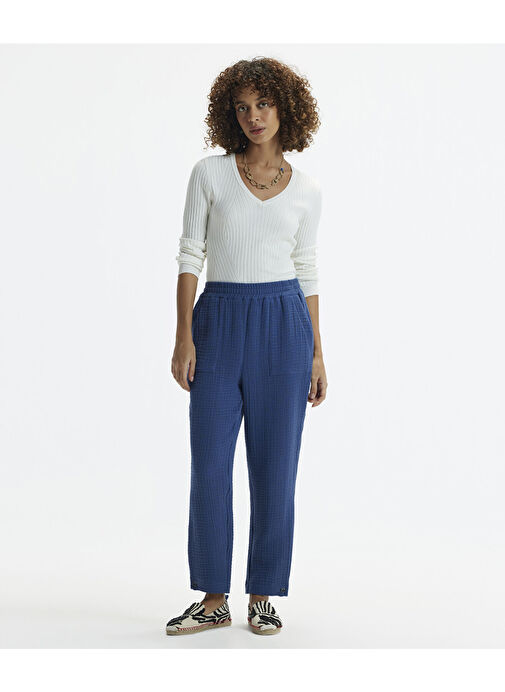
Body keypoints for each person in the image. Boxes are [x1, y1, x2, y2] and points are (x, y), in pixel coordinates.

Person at [166, 57, 328, 637]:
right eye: (242, 107)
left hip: (285, 327)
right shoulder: (209, 175)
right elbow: (190, 255)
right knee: (209, 466)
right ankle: (213, 598)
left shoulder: (306, 190)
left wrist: (317, 352)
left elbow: (307, 268)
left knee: (276, 469)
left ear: (286, 108)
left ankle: (263, 594)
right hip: (218, 323)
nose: (253, 116)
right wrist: (183, 335)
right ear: (228, 115)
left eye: (263, 104)